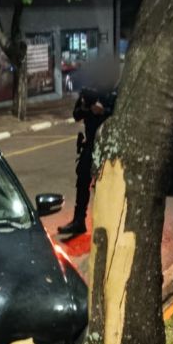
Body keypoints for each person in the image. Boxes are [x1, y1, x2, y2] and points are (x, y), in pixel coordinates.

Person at [58, 66, 118, 237]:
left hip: (108, 145)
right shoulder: (90, 90)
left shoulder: (114, 92)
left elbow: (120, 116)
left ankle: (107, 225)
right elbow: (76, 114)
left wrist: (103, 111)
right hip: (91, 143)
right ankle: (79, 221)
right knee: (82, 180)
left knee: (104, 186)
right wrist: (87, 108)